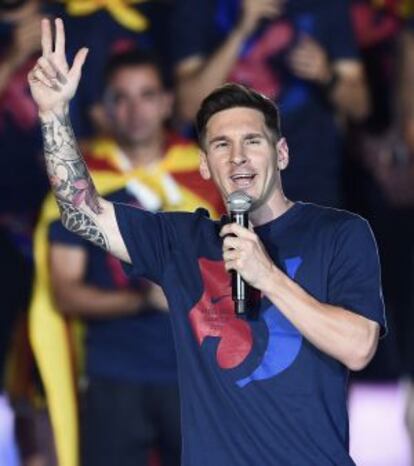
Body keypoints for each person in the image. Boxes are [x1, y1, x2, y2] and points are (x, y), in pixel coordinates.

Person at [28, 18, 385, 465]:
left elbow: (358, 347)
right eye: (220, 145)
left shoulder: (340, 232)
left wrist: (268, 277)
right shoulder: (183, 240)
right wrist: (54, 114)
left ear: (282, 154)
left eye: (252, 141)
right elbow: (82, 213)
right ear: (203, 165)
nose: (237, 157)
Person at [30, 48, 224, 466]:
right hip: (113, 374)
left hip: (197, 376)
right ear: (104, 109)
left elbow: (243, 277)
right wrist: (142, 300)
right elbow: (64, 293)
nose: (136, 110)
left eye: (147, 95)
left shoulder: (210, 177)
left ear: (168, 102)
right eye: (122, 97)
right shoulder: (77, 184)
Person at [171, 0, 370, 208]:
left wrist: (326, 74)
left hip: (310, 181)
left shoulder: (324, 5)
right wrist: (241, 32)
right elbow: (188, 108)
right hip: (226, 186)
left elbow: (360, 107)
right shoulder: (200, 7)